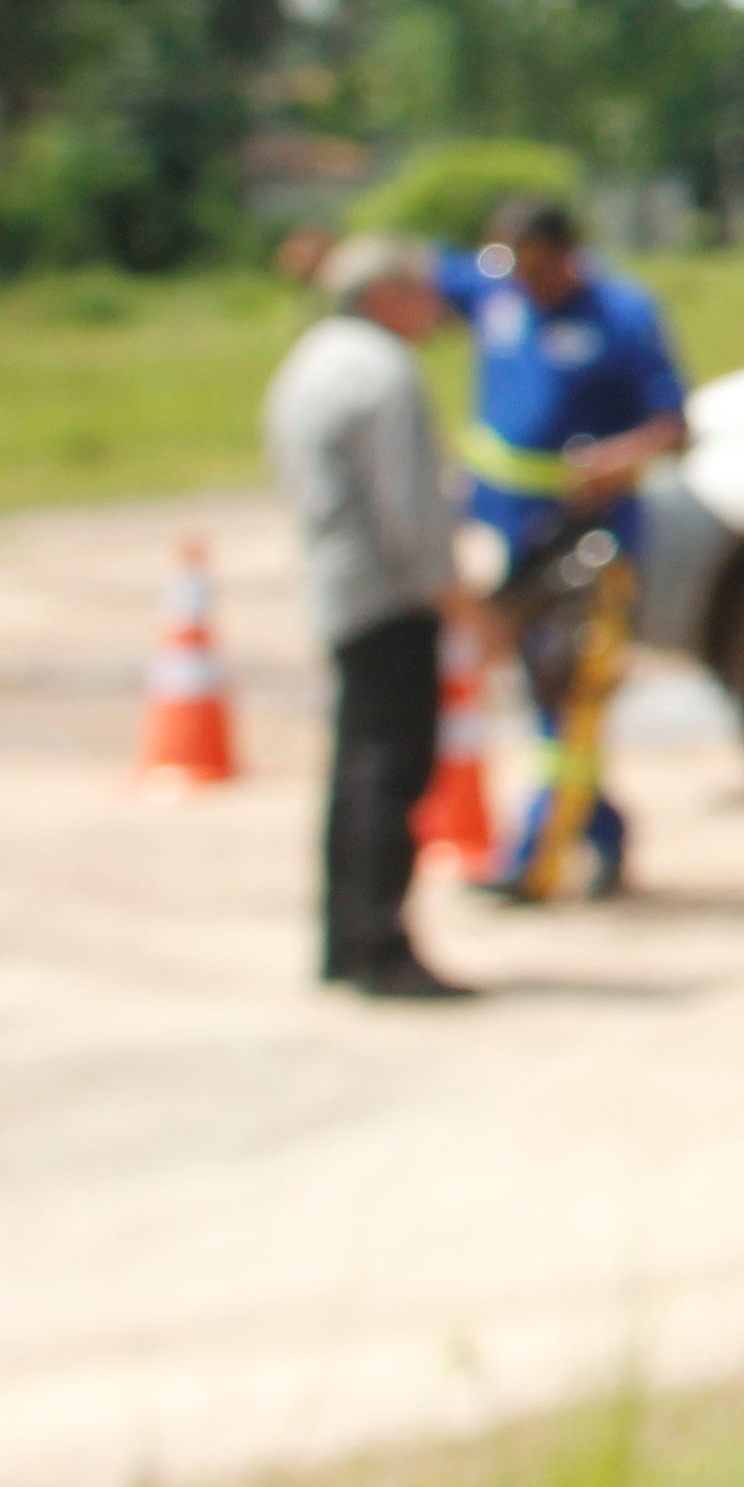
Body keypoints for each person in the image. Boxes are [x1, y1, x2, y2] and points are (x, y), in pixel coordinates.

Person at [438, 192, 685, 897]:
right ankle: (599, 827)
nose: (524, 284)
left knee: (570, 692)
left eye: (538, 271)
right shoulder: (494, 286)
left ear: (570, 257)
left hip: (590, 542)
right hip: (506, 535)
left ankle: (535, 857)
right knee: (542, 694)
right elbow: (410, 280)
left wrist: (618, 460)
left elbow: (674, 423)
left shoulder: (622, 315)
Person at [261, 231, 478, 1002]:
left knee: (355, 772)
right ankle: (383, 944)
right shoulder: (382, 371)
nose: (432, 309)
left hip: (338, 587)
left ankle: (345, 938)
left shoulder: (313, 359)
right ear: (386, 296)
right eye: (420, 293)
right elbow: (409, 509)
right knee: (391, 771)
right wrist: (455, 595)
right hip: (388, 596)